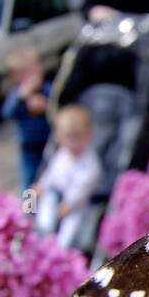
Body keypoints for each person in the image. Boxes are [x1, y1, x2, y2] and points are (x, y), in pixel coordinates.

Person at [35, 105, 103, 250]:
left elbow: (84, 186)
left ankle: (63, 247)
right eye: (68, 137)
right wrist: (42, 185)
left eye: (78, 136)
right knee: (46, 202)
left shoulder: (89, 162)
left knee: (72, 221)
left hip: (77, 202)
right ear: (58, 137)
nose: (74, 142)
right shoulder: (61, 154)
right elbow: (50, 173)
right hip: (56, 192)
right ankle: (43, 231)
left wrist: (70, 203)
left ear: (89, 134)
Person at [0, 46, 51, 190]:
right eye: (25, 74)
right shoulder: (16, 95)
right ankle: (29, 210)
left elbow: (60, 110)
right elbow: (6, 113)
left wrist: (46, 107)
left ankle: (50, 208)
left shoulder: (48, 90)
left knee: (50, 178)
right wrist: (21, 97)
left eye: (34, 70)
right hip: (28, 148)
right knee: (29, 181)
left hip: (50, 143)